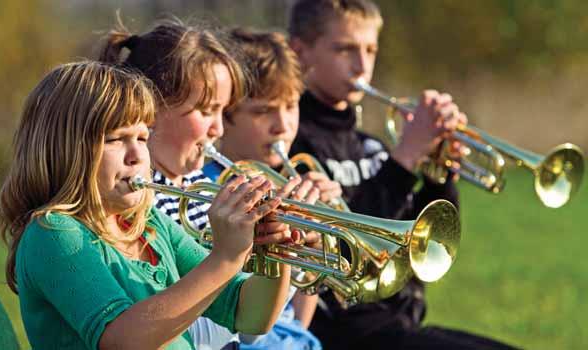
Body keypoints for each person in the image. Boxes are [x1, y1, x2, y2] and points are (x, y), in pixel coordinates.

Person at [0, 61, 292, 350]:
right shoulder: (53, 232)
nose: (137, 154)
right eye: (115, 139)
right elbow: (124, 341)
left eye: (142, 136)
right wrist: (225, 257)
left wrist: (275, 251)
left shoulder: (148, 223)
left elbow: (250, 316)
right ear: (65, 150)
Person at [287, 0, 518, 349]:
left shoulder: (371, 145)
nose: (362, 65)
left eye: (370, 49)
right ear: (300, 52)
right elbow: (350, 246)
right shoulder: (293, 144)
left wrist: (438, 173)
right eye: (344, 49)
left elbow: (424, 241)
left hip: (400, 321)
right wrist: (407, 156)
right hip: (345, 331)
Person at [98, 18, 316, 350]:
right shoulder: (139, 202)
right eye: (206, 110)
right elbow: (195, 338)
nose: (218, 128)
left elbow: (252, 330)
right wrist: (233, 255)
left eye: (223, 111)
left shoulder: (200, 186)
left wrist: (281, 251)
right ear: (152, 108)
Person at [205, 28, 344, 350]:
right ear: (224, 115)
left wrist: (313, 242)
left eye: (291, 106)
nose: (283, 126)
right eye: (263, 111)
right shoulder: (211, 190)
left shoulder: (290, 179)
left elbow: (296, 322)